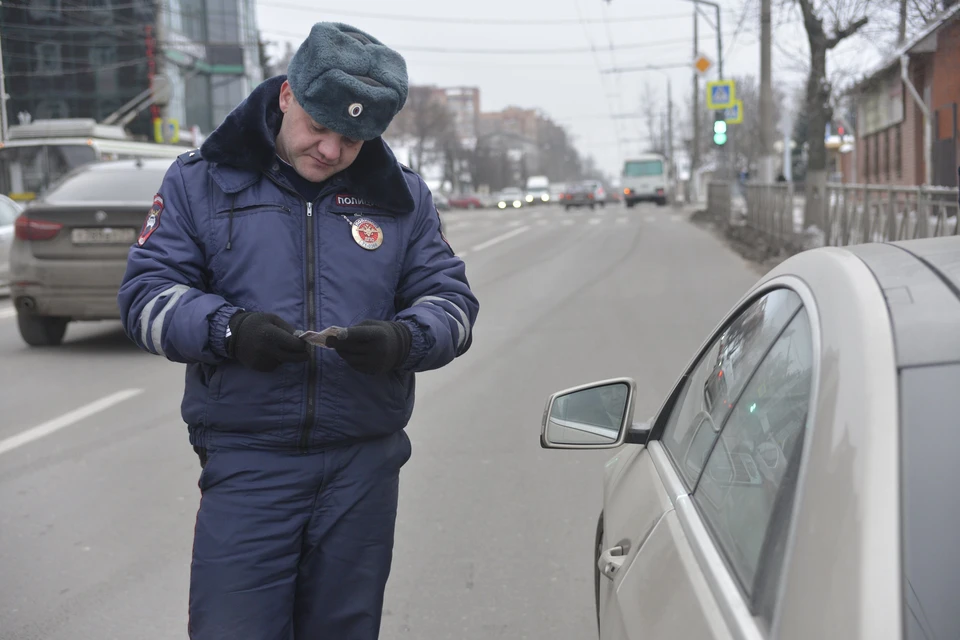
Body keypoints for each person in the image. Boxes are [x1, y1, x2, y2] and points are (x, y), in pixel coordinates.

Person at [117, 22, 479, 640]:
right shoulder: (201, 180)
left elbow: (451, 303)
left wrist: (403, 341)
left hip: (363, 467)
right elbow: (145, 297)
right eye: (319, 126)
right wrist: (229, 331)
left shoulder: (402, 198)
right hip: (248, 462)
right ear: (287, 95)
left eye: (353, 138)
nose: (332, 151)